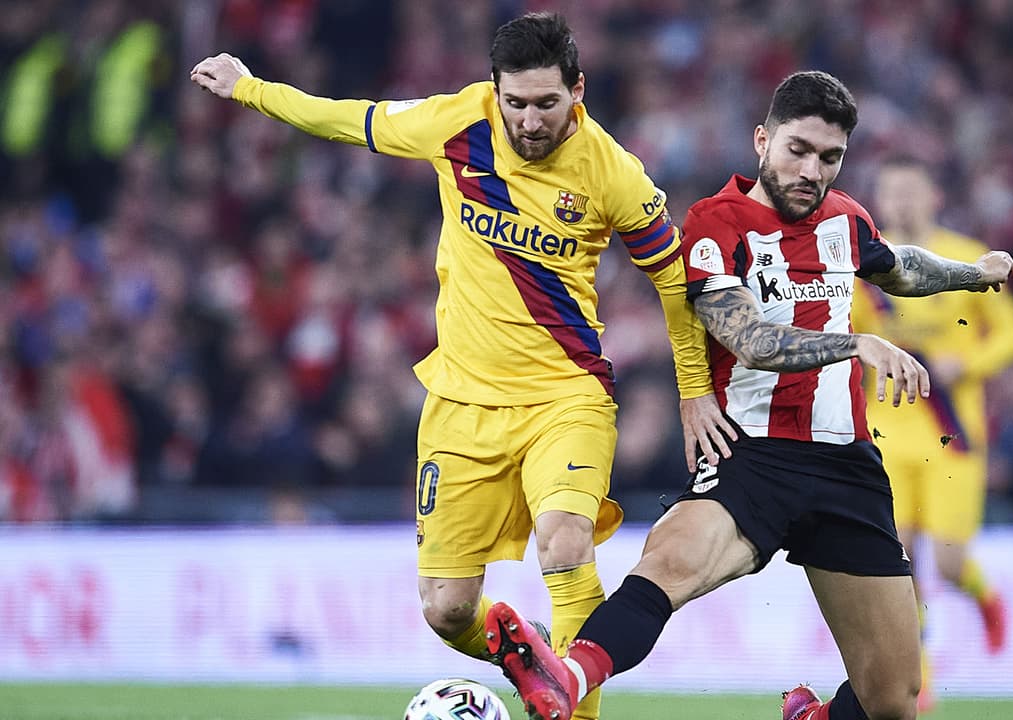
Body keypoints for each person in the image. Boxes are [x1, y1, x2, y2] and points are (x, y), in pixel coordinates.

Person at [190, 13, 733, 720]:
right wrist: (250, 88)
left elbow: (674, 279)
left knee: (565, 544)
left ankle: (573, 703)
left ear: (577, 90)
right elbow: (348, 119)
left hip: (566, 396)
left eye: (547, 103)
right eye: (516, 103)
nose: (529, 121)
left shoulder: (613, 172)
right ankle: (528, 655)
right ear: (494, 90)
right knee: (446, 609)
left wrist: (693, 391)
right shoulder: (456, 122)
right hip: (461, 402)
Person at [484, 70, 1013, 720]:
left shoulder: (846, 219)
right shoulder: (716, 225)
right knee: (672, 562)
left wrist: (971, 274)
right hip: (753, 455)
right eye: (798, 149)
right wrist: (856, 345)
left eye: (829, 157)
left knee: (894, 701)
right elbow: (751, 338)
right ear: (762, 140)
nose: (812, 171)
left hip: (846, 466)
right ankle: (564, 678)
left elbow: (898, 267)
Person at [854, 155, 1013, 711]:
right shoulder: (866, 263)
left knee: (949, 564)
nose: (901, 201)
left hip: (953, 434)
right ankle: (919, 676)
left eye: (911, 189)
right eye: (891, 191)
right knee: (899, 560)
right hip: (887, 429)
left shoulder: (966, 256)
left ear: (934, 196)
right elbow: (846, 332)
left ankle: (984, 595)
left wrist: (967, 364)